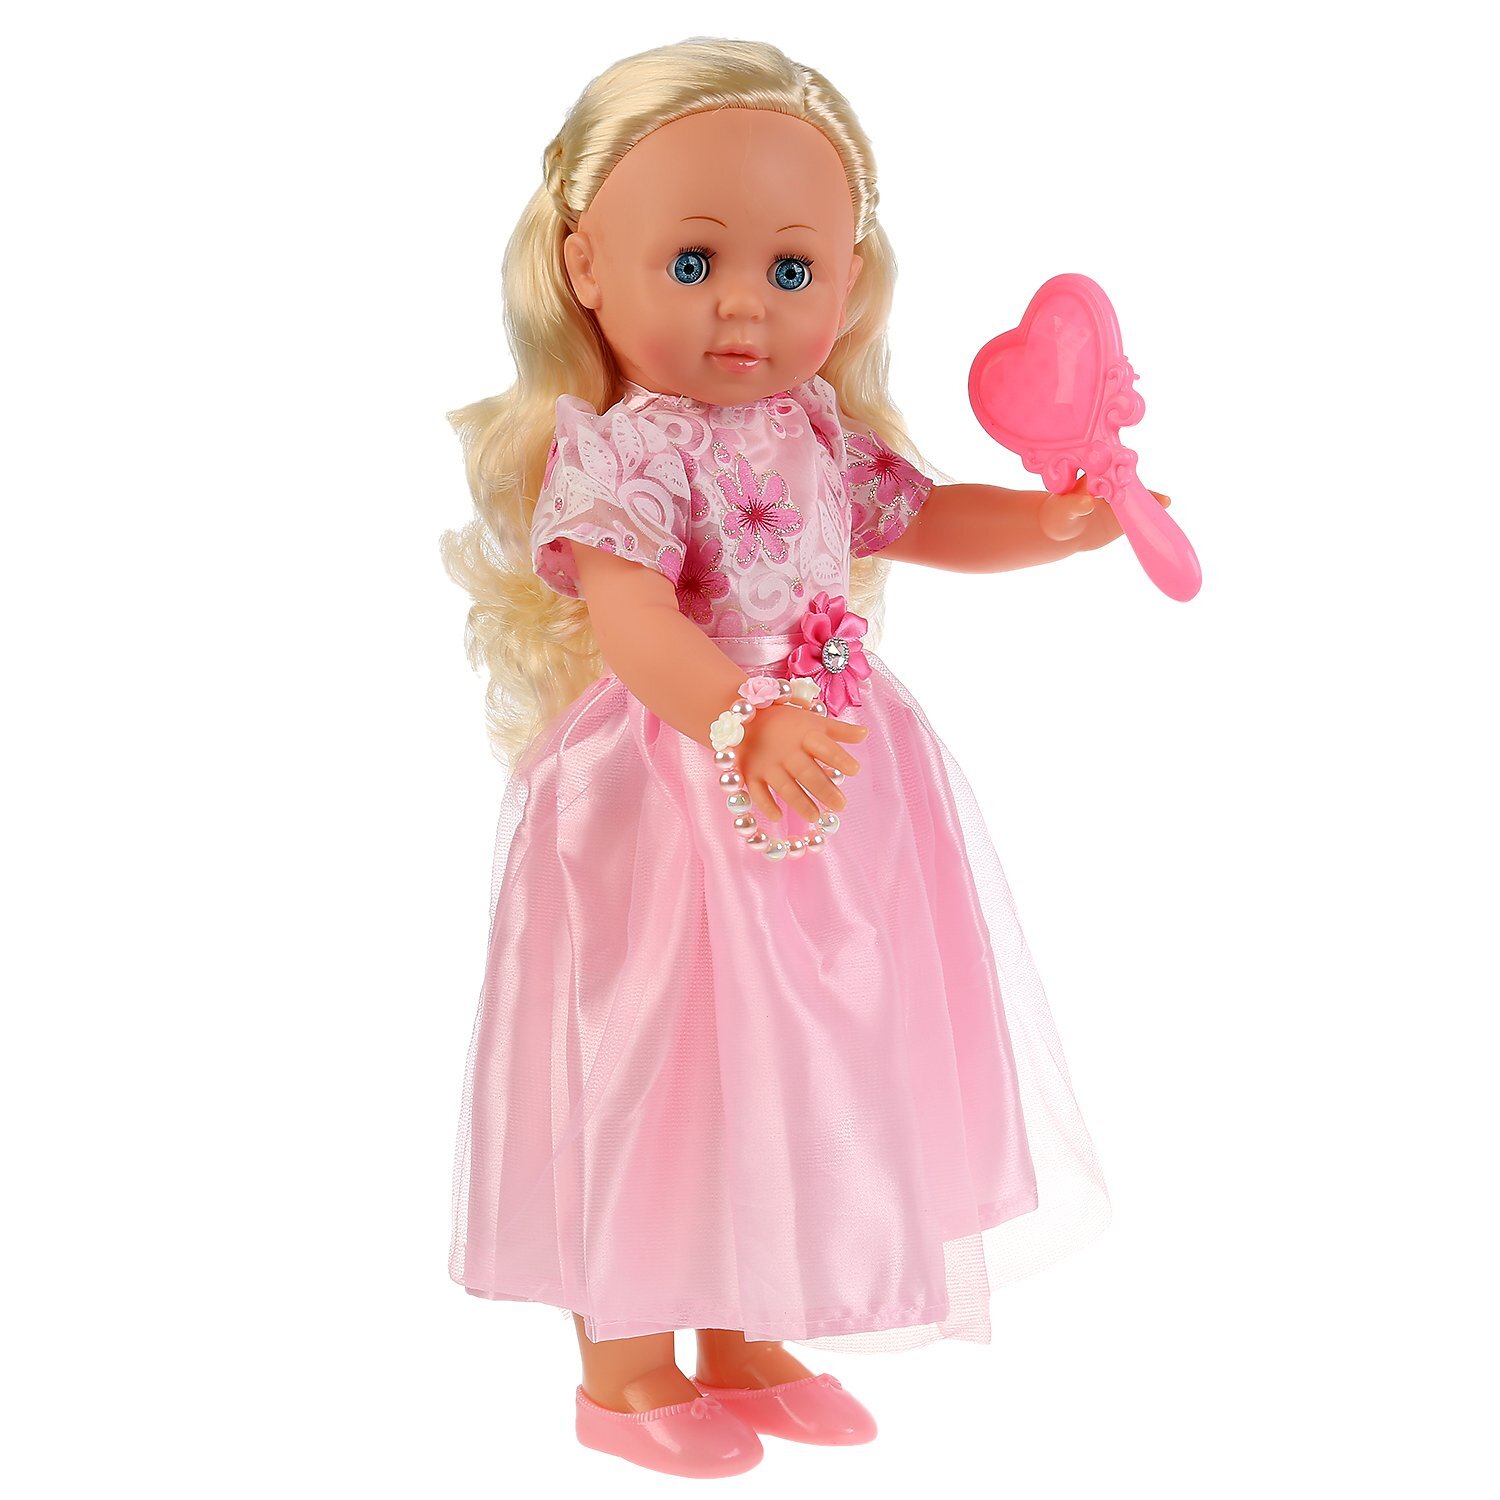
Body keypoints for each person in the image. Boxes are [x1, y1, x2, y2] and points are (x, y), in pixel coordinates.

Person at [442, 36, 1158, 1478]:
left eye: (790, 269)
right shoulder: (623, 452)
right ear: (584, 267)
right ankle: (624, 1366)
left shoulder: (812, 425)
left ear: (848, 277)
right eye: (692, 261)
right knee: (652, 1054)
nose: (743, 307)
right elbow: (636, 618)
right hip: (672, 780)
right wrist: (737, 714)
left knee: (786, 1056)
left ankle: (745, 1323)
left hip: (825, 775)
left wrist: (1054, 522)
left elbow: (924, 514)